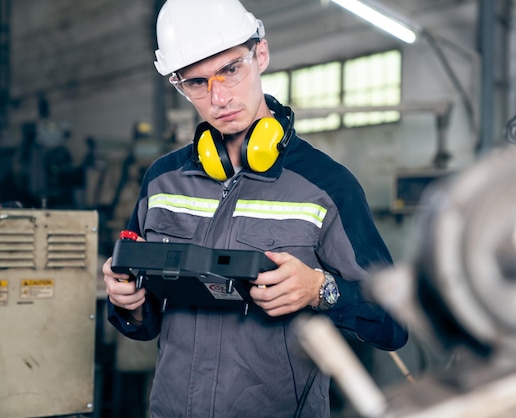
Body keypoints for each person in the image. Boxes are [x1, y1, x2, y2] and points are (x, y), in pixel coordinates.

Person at [101, 0, 408, 416]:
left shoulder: (327, 187)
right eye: (195, 83)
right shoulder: (161, 181)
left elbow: (392, 323)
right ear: (178, 84)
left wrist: (319, 290)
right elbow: (147, 320)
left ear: (260, 54)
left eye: (230, 69)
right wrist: (128, 302)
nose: (218, 98)